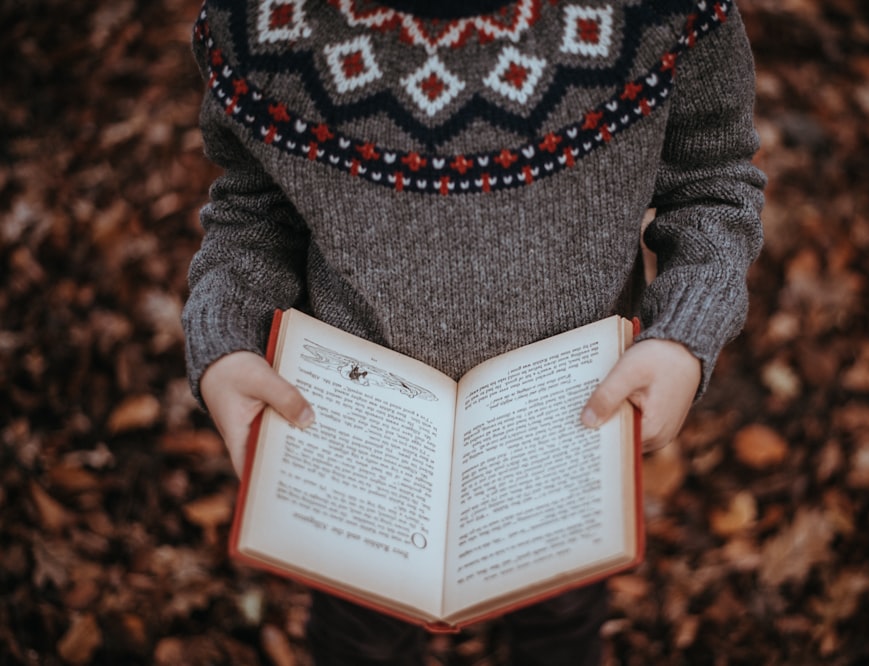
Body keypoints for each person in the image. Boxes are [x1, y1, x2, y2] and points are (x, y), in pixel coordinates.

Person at [182, 0, 765, 662]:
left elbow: (712, 186)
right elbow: (255, 210)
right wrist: (225, 336)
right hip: (357, 436)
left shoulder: (663, 14)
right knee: (358, 634)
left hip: (569, 429)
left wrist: (682, 335)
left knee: (561, 618)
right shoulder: (262, 24)